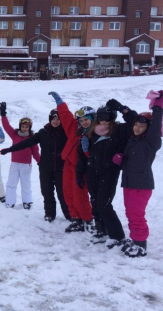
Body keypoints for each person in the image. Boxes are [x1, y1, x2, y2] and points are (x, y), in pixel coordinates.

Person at [76, 99, 138, 248]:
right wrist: (80, 173)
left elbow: (134, 121)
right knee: (95, 202)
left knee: (104, 204)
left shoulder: (119, 130)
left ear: (112, 118)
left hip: (109, 171)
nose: (104, 122)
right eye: (101, 118)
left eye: (107, 118)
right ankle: (100, 230)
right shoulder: (92, 131)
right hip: (92, 170)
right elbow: (84, 155)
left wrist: (123, 108)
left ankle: (117, 236)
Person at [118, 91, 163, 257]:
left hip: (141, 184)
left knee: (137, 214)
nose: (137, 127)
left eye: (142, 126)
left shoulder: (151, 141)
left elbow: (156, 123)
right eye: (136, 124)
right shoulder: (132, 140)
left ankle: (141, 245)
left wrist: (158, 106)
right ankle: (134, 239)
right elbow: (129, 162)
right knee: (130, 213)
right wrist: (120, 160)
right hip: (129, 183)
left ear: (148, 129)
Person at [1, 109, 70, 222]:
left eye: (58, 119)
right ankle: (49, 214)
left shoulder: (66, 132)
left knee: (62, 192)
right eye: (53, 118)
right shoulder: (43, 132)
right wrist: (10, 149)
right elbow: (26, 143)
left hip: (60, 168)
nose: (56, 121)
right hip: (45, 168)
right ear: (50, 119)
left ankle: (69, 215)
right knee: (47, 192)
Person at [48, 92, 96, 234]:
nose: (83, 122)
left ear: (93, 119)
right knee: (68, 194)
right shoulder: (75, 129)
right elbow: (66, 117)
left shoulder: (95, 134)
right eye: (81, 120)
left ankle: (88, 220)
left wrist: (87, 150)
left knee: (80, 196)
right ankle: (76, 220)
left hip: (82, 169)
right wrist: (60, 103)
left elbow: (94, 156)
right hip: (68, 165)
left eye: (86, 119)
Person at [0, 103, 39, 209]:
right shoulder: (15, 135)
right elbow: (6, 126)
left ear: (29, 128)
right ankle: (10, 202)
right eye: (23, 126)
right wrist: (3, 115)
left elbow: (35, 152)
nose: (25, 128)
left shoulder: (32, 139)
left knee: (26, 183)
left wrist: (40, 161)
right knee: (11, 183)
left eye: (27, 127)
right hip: (15, 164)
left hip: (26, 165)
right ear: (20, 126)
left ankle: (27, 202)